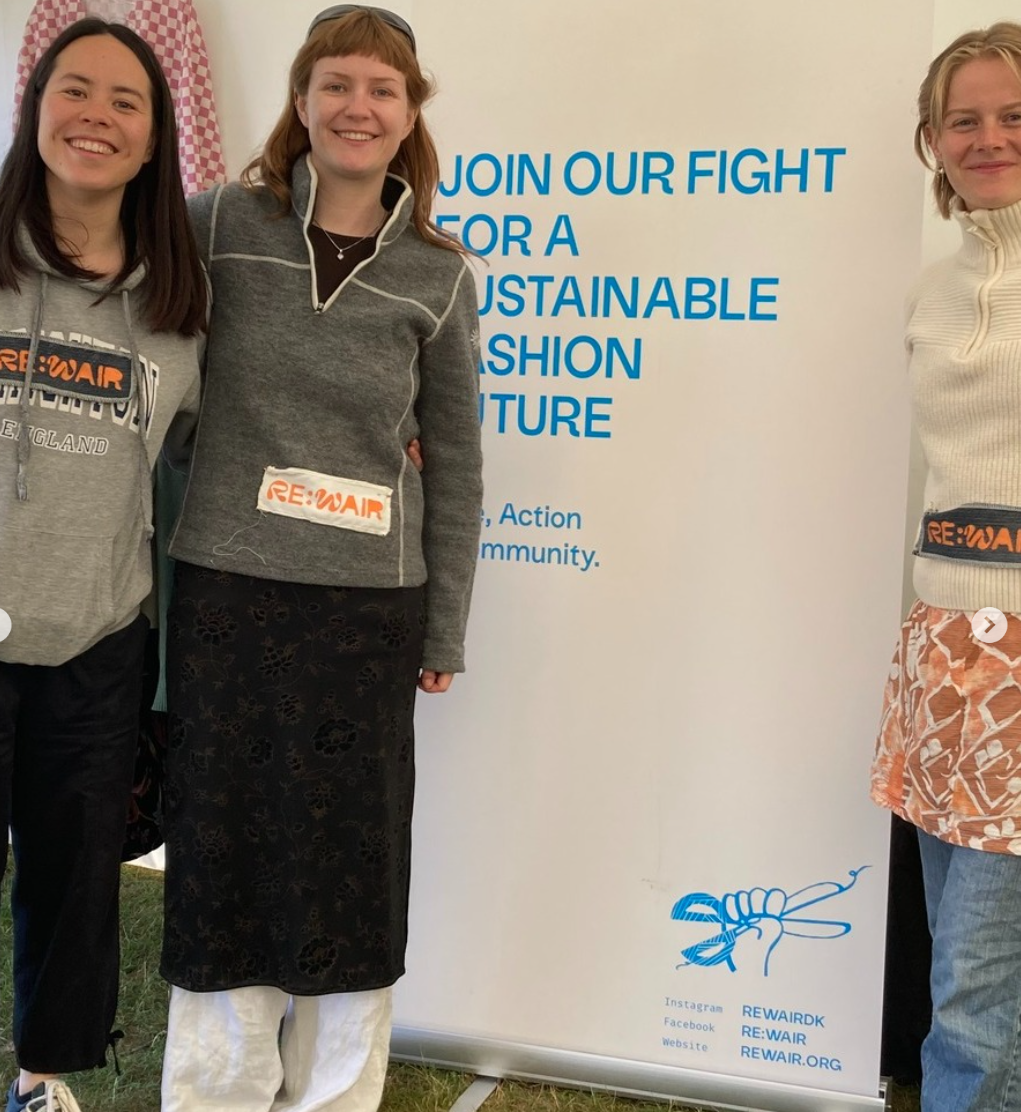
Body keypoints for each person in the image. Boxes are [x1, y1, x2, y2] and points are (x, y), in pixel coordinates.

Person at [158, 7, 483, 1110]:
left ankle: (336, 1095)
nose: (358, 106)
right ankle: (217, 1090)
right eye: (336, 83)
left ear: (409, 114)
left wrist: (445, 627)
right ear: (301, 101)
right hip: (226, 592)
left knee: (351, 856)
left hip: (367, 610)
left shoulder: (439, 273)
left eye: (383, 90)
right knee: (223, 848)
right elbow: (164, 370)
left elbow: (457, 462)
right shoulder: (217, 223)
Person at [0, 17, 206, 1112]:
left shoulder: (179, 306)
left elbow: (233, 440)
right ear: (34, 110)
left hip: (97, 638)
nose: (97, 116)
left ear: (154, 137)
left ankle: (41, 1079)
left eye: (126, 101)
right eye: (74, 89)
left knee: (74, 880)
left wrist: (385, 442)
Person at [871, 21, 1021, 1112]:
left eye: (1013, 115)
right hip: (941, 646)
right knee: (957, 954)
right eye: (962, 119)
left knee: (975, 978)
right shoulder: (930, 288)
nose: (988, 137)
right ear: (932, 139)